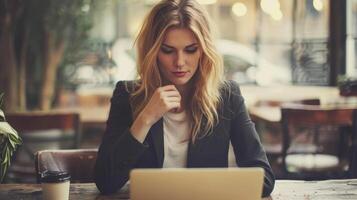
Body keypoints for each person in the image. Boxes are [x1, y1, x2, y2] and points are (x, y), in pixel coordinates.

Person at [94, 0, 275, 197]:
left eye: (190, 50)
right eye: (168, 50)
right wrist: (146, 118)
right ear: (153, 51)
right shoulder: (128, 94)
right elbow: (106, 182)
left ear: (204, 51)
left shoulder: (227, 97)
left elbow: (264, 179)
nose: (179, 62)